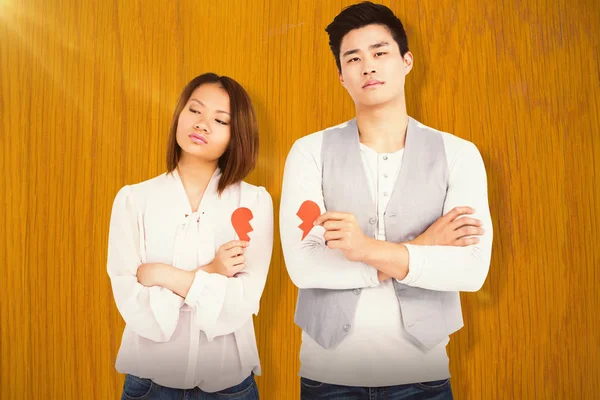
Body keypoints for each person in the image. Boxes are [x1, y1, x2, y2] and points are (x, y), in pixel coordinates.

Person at [280, 2, 493, 399]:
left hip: (423, 377)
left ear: (406, 60)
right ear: (341, 76)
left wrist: (363, 251)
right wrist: (424, 246)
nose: (368, 66)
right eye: (354, 58)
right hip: (329, 378)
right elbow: (304, 266)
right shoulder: (309, 152)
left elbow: (471, 269)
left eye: (380, 53)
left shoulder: (458, 154)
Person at [107, 73, 273, 400]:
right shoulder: (133, 199)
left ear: (236, 134)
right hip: (149, 384)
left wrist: (161, 275)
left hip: (228, 386)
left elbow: (239, 303)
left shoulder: (253, 202)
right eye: (195, 110)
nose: (202, 123)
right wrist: (211, 272)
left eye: (219, 119)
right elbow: (132, 302)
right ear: (180, 115)